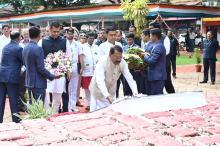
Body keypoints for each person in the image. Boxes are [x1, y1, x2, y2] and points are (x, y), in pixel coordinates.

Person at [89, 45, 138, 112]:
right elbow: (100, 81)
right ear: (110, 54)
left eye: (120, 57)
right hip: (98, 91)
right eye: (116, 57)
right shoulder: (102, 62)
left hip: (111, 92)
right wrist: (107, 96)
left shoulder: (122, 63)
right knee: (97, 113)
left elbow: (129, 78)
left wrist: (135, 92)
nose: (118, 59)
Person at [23, 26, 60, 105]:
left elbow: (25, 64)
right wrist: (52, 76)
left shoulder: (25, 47)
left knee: (32, 107)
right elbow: (41, 68)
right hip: (38, 83)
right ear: (39, 35)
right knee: (39, 108)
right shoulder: (38, 48)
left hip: (29, 82)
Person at [38, 22, 68, 112]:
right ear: (50, 30)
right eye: (54, 31)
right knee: (46, 94)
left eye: (58, 31)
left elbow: (68, 56)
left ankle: (55, 113)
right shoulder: (42, 41)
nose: (56, 33)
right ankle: (47, 113)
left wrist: (69, 70)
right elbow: (39, 57)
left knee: (58, 94)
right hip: (46, 71)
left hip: (60, 71)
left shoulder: (64, 41)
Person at [0, 31, 22, 123]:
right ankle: (16, 122)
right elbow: (23, 62)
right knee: (14, 100)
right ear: (18, 38)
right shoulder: (18, 48)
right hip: (12, 77)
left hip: (2, 75)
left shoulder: (5, 47)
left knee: (1, 100)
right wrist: (21, 71)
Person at [149, 21, 175, 94]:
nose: (149, 30)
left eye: (151, 28)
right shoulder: (151, 38)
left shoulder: (165, 38)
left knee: (167, 83)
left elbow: (166, 52)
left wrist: (153, 55)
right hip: (154, 65)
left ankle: (173, 96)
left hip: (164, 65)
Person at [142, 28, 167, 95]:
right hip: (153, 76)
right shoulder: (154, 45)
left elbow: (152, 61)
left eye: (150, 35)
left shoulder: (159, 46)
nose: (150, 37)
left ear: (155, 36)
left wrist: (144, 56)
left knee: (157, 97)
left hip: (158, 77)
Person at [66, 28, 84, 112]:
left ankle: (72, 106)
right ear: (66, 33)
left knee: (74, 87)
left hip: (75, 65)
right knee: (66, 88)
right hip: (65, 66)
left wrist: (82, 67)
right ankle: (66, 106)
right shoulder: (64, 42)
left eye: (72, 33)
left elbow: (80, 56)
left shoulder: (77, 44)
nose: (70, 35)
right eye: (69, 33)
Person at [81, 32, 100, 110]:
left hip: (95, 72)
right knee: (87, 89)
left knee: (94, 89)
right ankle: (88, 104)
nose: (91, 40)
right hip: (86, 72)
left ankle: (94, 103)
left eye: (93, 38)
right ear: (87, 38)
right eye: (90, 38)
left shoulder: (97, 47)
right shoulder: (82, 47)